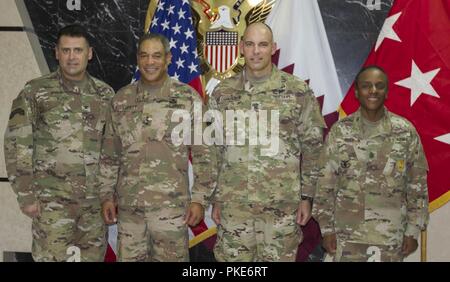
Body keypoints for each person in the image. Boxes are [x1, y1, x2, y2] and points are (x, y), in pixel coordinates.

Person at [208, 22, 326, 262]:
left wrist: (307, 196)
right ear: (241, 48)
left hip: (280, 209)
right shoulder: (223, 93)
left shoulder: (297, 91)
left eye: (263, 45)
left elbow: (314, 148)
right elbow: (213, 151)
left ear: (273, 47)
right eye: (250, 44)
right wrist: (216, 197)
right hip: (234, 208)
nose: (256, 51)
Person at [98, 33, 215, 261]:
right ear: (138, 59)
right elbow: (110, 155)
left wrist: (200, 199)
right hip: (130, 213)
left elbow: (205, 155)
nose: (150, 62)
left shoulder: (187, 99)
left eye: (157, 56)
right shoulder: (121, 100)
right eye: (144, 56)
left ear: (169, 58)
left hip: (171, 212)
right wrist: (106, 196)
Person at [4, 24, 115, 261]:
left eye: (77, 50)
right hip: (51, 204)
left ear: (90, 53)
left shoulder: (105, 95)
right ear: (56, 53)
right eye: (66, 50)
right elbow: (16, 143)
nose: (72, 57)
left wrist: (109, 195)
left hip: (93, 207)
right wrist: (26, 194)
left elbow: (112, 150)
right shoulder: (36, 91)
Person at [313, 65, 429, 262]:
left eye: (379, 86)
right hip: (348, 235)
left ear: (387, 92)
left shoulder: (405, 132)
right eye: (366, 86)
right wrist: (326, 229)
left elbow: (417, 186)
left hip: (390, 236)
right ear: (357, 92)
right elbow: (325, 185)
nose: (373, 91)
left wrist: (412, 230)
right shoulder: (340, 132)